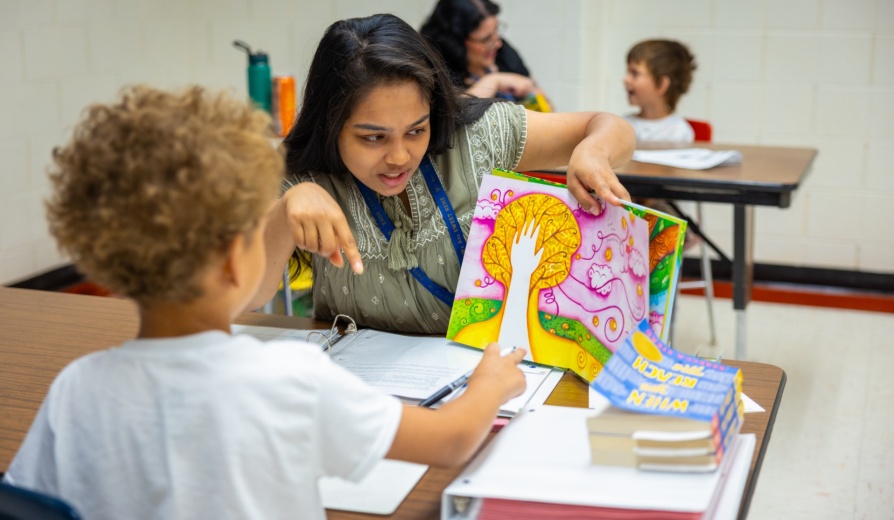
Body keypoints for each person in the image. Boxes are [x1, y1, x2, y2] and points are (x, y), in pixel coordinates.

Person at [2, 85, 526, 520]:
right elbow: (451, 439)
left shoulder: (77, 388)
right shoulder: (288, 378)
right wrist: (491, 381)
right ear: (235, 258)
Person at [248, 13, 635, 335]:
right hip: (367, 398)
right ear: (331, 127)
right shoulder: (303, 179)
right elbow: (245, 296)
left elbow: (609, 125)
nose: (399, 156)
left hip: (485, 383)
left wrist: (593, 151)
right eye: (373, 137)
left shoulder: (475, 136)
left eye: (416, 130)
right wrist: (283, 214)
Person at [420, 0, 549, 107]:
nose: (497, 43)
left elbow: (545, 103)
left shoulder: (502, 51)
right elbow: (456, 115)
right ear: (455, 43)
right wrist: (494, 81)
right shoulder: (434, 68)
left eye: (496, 30)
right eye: (486, 39)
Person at [622, 39, 697, 143]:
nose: (626, 80)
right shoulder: (622, 125)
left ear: (661, 84)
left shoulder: (680, 132)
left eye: (635, 73)